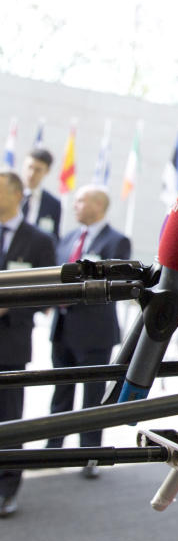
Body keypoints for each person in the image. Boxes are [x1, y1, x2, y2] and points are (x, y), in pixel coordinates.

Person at [45, 184, 131, 478]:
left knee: (92, 397)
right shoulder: (68, 238)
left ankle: (89, 454)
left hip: (94, 332)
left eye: (81, 201)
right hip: (62, 328)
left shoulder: (117, 241)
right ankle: (52, 449)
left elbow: (115, 284)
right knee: (60, 390)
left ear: (98, 205)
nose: (75, 206)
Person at [0, 170, 56, 517]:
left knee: (9, 420)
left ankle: (6, 488)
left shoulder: (39, 240)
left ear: (18, 193)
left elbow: (50, 292)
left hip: (10, 343)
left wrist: (10, 307)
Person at [20, 148, 61, 239]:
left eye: (38, 170)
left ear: (47, 171)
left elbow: (54, 236)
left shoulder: (53, 204)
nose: (32, 173)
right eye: (29, 167)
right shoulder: (7, 195)